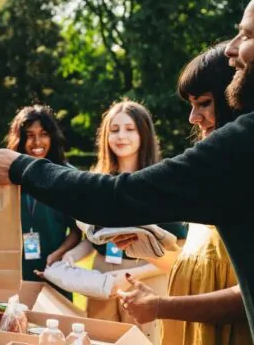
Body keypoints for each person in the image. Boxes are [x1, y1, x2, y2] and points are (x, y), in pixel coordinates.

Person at [0, 0, 254, 340]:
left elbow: (115, 197)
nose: (234, 49)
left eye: (246, 35)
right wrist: (155, 247)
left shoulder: (237, 149)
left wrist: (21, 167)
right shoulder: (224, 161)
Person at [119, 44, 252, 345]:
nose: (193, 117)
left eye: (204, 103)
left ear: (235, 99)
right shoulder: (212, 171)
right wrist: (150, 245)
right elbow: (204, 266)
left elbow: (244, 294)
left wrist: (160, 307)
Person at [60, 101, 187, 343]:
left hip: (145, 278)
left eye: (130, 129)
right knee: (99, 340)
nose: (121, 136)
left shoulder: (161, 182)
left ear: (144, 133)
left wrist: (128, 274)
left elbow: (176, 256)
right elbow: (95, 239)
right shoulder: (97, 182)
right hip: (101, 281)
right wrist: (71, 256)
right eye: (114, 129)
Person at [2, 105, 80, 300]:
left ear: (52, 136)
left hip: (53, 271)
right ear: (19, 139)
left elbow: (78, 231)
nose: (37, 142)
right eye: (29, 135)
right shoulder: (7, 176)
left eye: (43, 134)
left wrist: (58, 255)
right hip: (14, 273)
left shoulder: (66, 176)